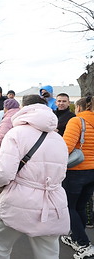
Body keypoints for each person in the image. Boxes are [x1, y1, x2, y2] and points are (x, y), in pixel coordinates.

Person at [0, 94, 69, 259]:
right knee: (48, 252)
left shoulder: (16, 133)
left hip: (17, 200)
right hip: (51, 202)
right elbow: (61, 174)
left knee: (0, 246)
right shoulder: (59, 139)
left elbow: (4, 172)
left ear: (24, 109)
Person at [61, 96, 94, 259]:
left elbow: (65, 147)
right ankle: (76, 236)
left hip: (76, 170)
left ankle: (84, 244)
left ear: (80, 108)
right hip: (92, 171)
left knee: (69, 207)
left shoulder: (77, 121)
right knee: (80, 206)